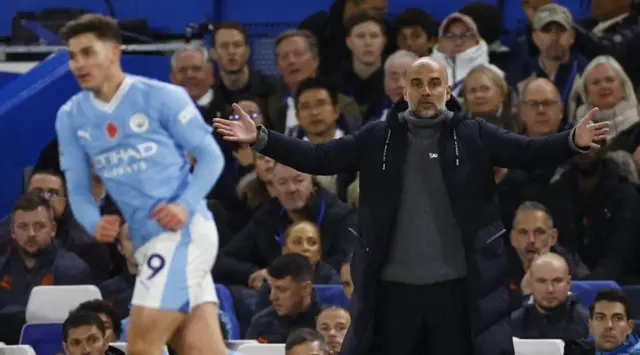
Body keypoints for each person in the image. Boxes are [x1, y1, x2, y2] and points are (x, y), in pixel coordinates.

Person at [213, 56, 609, 355]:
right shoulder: (376, 137)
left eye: (434, 83)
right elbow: (319, 158)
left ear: (447, 90)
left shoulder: (473, 134)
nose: (425, 91)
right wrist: (263, 139)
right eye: (416, 83)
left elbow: (528, 151)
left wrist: (572, 139)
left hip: (458, 291)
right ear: (404, 91)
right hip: (392, 293)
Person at [56, 14, 226, 355]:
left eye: (88, 52)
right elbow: (77, 188)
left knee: (141, 343)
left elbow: (211, 157)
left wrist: (184, 204)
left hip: (185, 234)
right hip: (146, 242)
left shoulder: (163, 97)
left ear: (115, 53)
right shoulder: (71, 116)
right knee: (201, 350)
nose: (78, 64)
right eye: (73, 56)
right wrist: (92, 221)